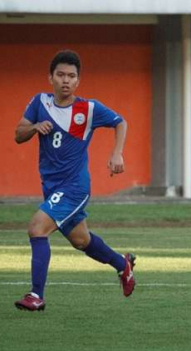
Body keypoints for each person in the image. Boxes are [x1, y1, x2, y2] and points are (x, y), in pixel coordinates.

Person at [13, 50, 136, 311]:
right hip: (51, 187)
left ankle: (36, 295)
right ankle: (122, 265)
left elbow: (120, 122)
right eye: (60, 75)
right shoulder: (39, 103)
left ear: (78, 81)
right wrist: (34, 127)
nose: (65, 80)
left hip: (74, 186)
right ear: (51, 78)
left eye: (71, 76)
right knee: (81, 240)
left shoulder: (88, 109)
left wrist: (117, 153)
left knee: (37, 228)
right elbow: (18, 134)